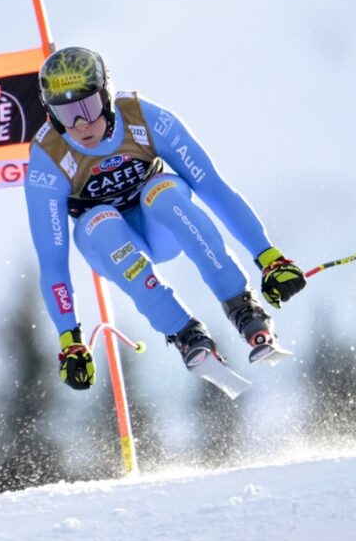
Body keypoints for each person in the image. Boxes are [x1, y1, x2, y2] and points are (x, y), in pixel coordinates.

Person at [24, 46, 306, 392]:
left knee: (165, 193)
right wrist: (70, 339)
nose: (81, 124)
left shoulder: (144, 118)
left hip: (160, 225)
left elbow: (213, 188)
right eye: (66, 114)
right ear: (50, 115)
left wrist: (269, 257)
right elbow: (53, 263)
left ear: (107, 96)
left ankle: (243, 307)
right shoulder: (47, 159)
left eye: (89, 107)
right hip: (107, 243)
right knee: (100, 219)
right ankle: (186, 334)